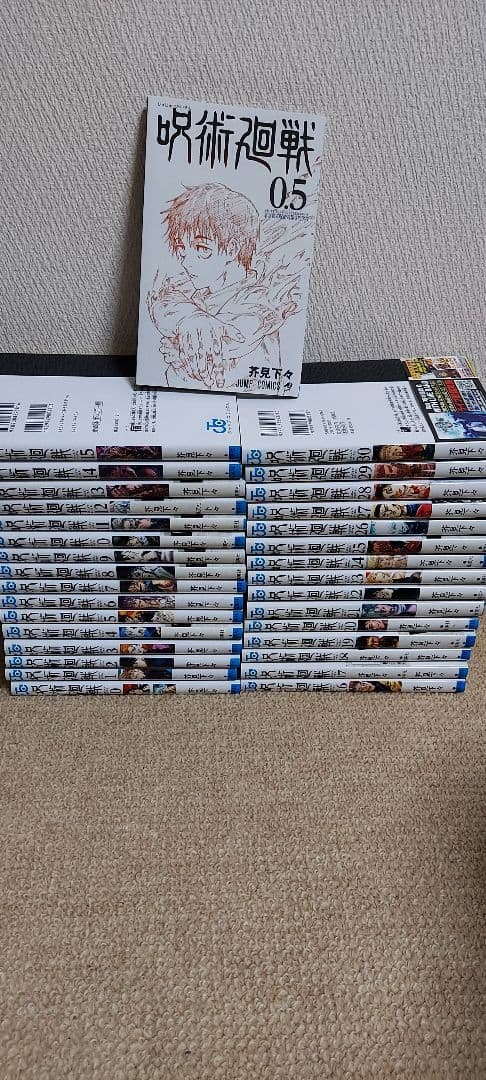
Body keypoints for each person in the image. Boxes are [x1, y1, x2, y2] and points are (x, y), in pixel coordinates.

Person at [148, 182, 299, 390]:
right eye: (182, 247)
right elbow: (161, 301)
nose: (186, 261)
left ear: (232, 248)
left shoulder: (261, 299)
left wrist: (181, 346)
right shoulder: (195, 292)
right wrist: (190, 320)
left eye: (201, 248)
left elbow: (235, 336)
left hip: (249, 401)